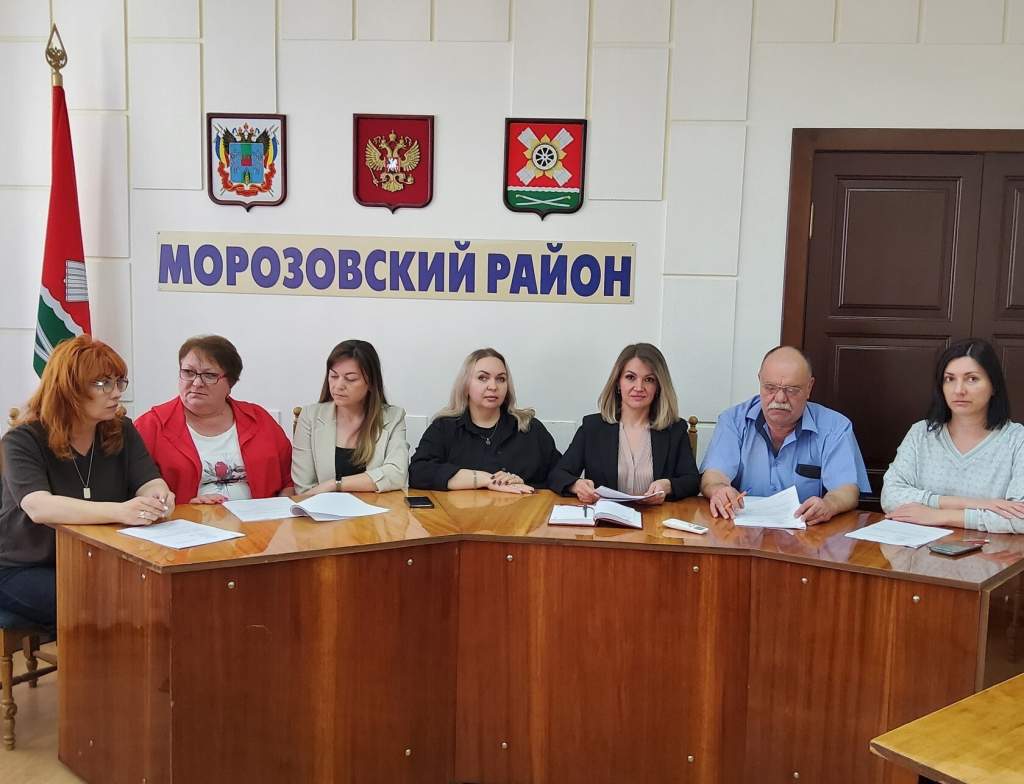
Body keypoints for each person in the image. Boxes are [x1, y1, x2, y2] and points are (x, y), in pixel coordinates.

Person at [0, 336, 173, 631]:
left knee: (159, 593)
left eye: (119, 382)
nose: (116, 393)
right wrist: (122, 511)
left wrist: (159, 497)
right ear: (68, 389)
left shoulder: (121, 430)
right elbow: (39, 507)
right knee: (102, 605)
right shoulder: (23, 439)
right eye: (103, 384)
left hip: (98, 559)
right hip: (24, 566)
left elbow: (150, 481)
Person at [700, 345, 870, 524]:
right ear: (759, 381)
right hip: (741, 530)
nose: (780, 398)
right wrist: (719, 490)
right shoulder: (733, 421)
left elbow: (846, 490)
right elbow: (713, 476)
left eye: (791, 390)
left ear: (809, 387)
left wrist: (829, 505)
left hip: (807, 531)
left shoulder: (835, 428)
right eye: (770, 388)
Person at [882, 338, 1024, 533]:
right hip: (917, 548)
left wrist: (939, 516)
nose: (959, 390)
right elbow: (890, 497)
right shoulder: (921, 433)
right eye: (950, 379)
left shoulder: (1017, 440)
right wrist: (973, 504)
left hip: (991, 550)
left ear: (994, 386)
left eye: (972, 379)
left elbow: (1020, 517)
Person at [135, 335, 292, 503]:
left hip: (259, 517)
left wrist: (280, 511)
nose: (196, 383)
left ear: (230, 382)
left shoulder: (258, 419)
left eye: (209, 375)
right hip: (185, 518)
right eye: (188, 372)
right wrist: (188, 509)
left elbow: (289, 481)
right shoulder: (151, 426)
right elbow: (136, 491)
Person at [549, 343, 699, 504]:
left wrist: (668, 486)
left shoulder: (675, 429)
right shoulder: (592, 427)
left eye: (649, 380)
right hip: (606, 518)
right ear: (618, 383)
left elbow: (693, 481)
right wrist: (576, 485)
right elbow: (557, 474)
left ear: (659, 387)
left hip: (656, 517)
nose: (639, 387)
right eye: (630, 377)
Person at [409, 348, 560, 493]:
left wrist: (523, 485)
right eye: (483, 378)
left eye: (501, 379)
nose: (493, 386)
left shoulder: (530, 427)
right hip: (464, 511)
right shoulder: (444, 427)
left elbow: (560, 476)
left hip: (523, 509)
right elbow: (418, 472)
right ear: (465, 384)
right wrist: (486, 480)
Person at [291, 340, 408, 496]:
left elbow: (397, 474)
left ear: (371, 382)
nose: (338, 385)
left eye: (351, 378)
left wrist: (335, 484)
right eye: (333, 376)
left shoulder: (393, 418)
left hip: (375, 509)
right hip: (322, 508)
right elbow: (304, 488)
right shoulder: (310, 417)